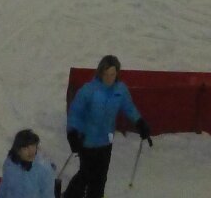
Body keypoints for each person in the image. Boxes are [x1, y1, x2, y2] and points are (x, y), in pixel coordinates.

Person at [64, 56, 150, 198]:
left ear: (117, 73)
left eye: (112, 74)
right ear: (100, 73)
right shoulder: (89, 90)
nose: (109, 78)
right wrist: (72, 133)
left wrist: (140, 123)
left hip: (106, 140)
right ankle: (70, 196)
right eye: (106, 74)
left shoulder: (120, 90)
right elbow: (76, 113)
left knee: (101, 176)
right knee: (86, 173)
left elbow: (129, 108)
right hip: (87, 140)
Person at [0, 129, 55, 198]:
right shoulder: (10, 165)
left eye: (33, 146)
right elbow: (3, 188)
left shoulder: (43, 169)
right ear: (18, 150)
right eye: (26, 148)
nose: (31, 152)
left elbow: (48, 195)